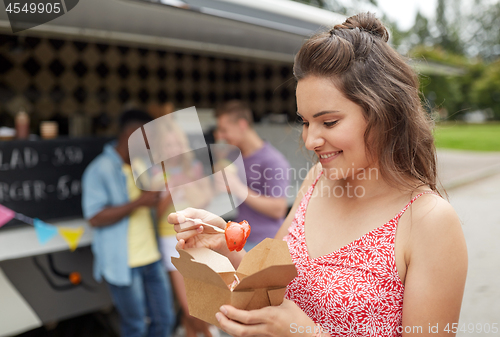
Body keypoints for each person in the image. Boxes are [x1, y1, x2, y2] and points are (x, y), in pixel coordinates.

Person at [167, 13, 468, 337]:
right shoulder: (316, 181)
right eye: (306, 122)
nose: (310, 140)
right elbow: (268, 276)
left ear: (385, 113)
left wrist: (302, 332)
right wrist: (224, 243)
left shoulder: (430, 221)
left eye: (329, 122)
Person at [81, 108, 175, 337]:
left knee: (165, 321)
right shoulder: (99, 169)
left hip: (152, 258)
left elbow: (150, 207)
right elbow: (94, 217)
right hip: (123, 263)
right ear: (134, 135)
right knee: (136, 327)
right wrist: (138, 202)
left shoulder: (141, 165)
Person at [214, 100, 290, 250]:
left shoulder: (273, 161)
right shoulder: (233, 156)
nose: (221, 136)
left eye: (224, 130)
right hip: (240, 239)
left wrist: (238, 188)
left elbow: (278, 209)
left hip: (266, 242)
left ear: (242, 125)